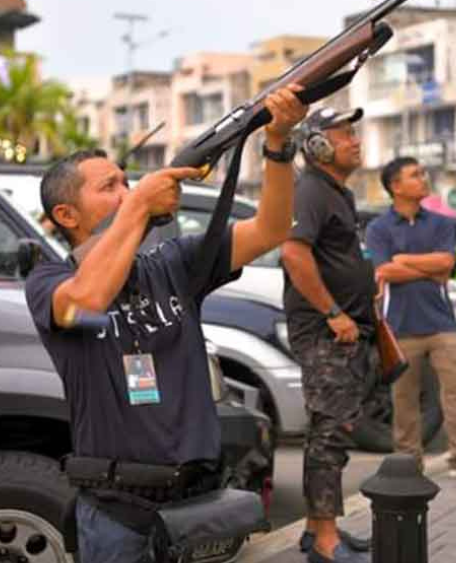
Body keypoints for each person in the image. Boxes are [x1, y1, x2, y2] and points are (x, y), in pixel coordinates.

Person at [24, 85, 308, 563]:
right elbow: (89, 298)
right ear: (66, 215)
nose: (126, 192)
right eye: (108, 187)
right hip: (117, 513)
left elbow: (271, 230)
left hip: (195, 504)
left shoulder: (172, 263)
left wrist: (278, 145)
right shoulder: (49, 283)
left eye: (125, 182)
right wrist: (136, 209)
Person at [365, 157, 456, 484]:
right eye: (415, 175)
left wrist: (405, 261)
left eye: (423, 174)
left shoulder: (441, 224)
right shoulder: (378, 229)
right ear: (395, 186)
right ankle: (409, 465)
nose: (423, 179)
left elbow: (446, 263)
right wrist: (426, 268)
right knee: (405, 400)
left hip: (442, 323)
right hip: (398, 326)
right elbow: (384, 271)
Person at [280, 107, 375, 563]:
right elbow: (294, 254)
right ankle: (325, 543)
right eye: (344, 134)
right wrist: (334, 312)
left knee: (329, 432)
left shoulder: (338, 192)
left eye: (354, 133)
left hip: (345, 332)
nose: (355, 141)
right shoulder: (310, 191)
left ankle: (318, 528)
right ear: (316, 145)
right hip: (325, 332)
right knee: (330, 435)